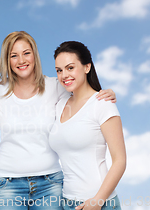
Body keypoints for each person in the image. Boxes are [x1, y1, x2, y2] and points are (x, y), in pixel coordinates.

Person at [0, 31, 116, 210]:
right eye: (13, 56)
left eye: (26, 53)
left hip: (50, 184)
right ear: (7, 60)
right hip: (7, 184)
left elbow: (83, 93)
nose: (21, 60)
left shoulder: (56, 87)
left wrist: (106, 93)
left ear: (35, 55)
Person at [49, 41, 126, 210]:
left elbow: (120, 160)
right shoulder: (60, 104)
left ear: (87, 67)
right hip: (67, 202)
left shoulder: (103, 104)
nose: (64, 75)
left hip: (99, 202)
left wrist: (98, 200)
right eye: (59, 70)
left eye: (70, 68)